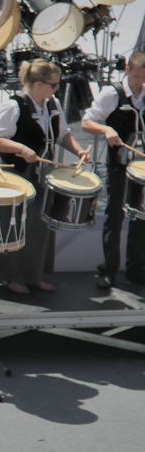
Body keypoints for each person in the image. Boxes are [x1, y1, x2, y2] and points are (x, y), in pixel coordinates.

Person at [0, 59, 91, 294]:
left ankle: (34, 275)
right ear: (37, 84)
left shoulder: (52, 105)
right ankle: (10, 276)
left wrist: (79, 150)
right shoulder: (13, 107)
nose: (56, 90)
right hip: (19, 175)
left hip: (44, 175)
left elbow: (63, 134)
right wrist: (22, 149)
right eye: (53, 85)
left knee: (41, 226)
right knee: (16, 226)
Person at [81, 50, 145, 288]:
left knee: (141, 217)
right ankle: (108, 270)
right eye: (136, 77)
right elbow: (87, 121)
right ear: (127, 71)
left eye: (144, 78)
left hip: (142, 167)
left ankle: (136, 269)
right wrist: (106, 130)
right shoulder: (113, 93)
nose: (140, 83)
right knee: (114, 216)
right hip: (120, 164)